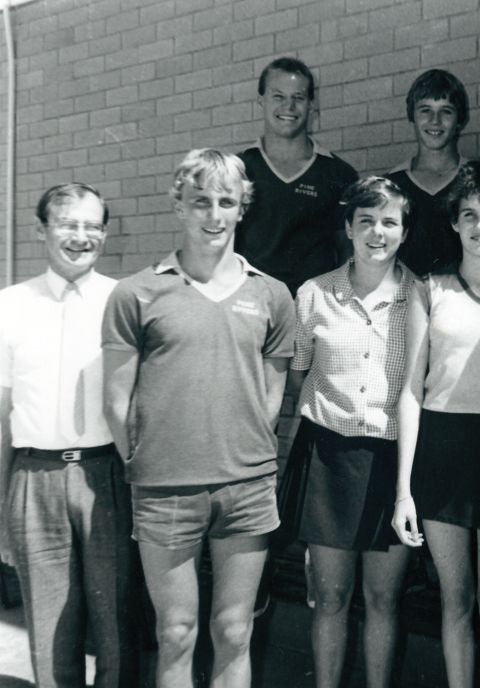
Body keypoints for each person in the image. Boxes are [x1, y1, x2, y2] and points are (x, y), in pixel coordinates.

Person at [103, 149, 295, 688]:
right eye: (201, 201)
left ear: (242, 209)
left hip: (247, 489)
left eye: (226, 202)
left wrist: (243, 456)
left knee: (234, 630)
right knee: (177, 631)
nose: (214, 215)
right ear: (178, 205)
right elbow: (117, 403)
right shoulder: (136, 294)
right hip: (166, 489)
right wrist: (151, 463)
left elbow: (271, 398)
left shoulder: (271, 295)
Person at [392, 161, 480, 688]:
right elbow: (410, 389)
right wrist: (405, 490)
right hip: (443, 448)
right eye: (469, 213)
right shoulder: (430, 287)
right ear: (453, 221)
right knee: (455, 599)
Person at [0, 184, 134, 687]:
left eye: (92, 225)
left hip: (107, 475)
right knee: (49, 624)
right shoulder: (10, 305)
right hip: (34, 476)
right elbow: (1, 412)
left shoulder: (124, 300)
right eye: (68, 224)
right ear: (42, 230)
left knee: (117, 619)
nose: (81, 236)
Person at [288, 177, 416, 688]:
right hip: (327, 458)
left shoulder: (421, 297)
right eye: (366, 220)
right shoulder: (314, 293)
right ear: (348, 227)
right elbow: (298, 376)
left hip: (391, 459)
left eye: (389, 222)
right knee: (332, 597)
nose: (377, 232)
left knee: (384, 598)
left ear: (404, 231)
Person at [235, 57, 358, 295]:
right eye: (278, 96)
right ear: (261, 100)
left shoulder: (339, 174)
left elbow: (348, 254)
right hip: (253, 310)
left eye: (298, 98)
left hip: (315, 312)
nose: (288, 107)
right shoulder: (238, 169)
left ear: (311, 103)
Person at [387, 69, 469, 276]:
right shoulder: (391, 186)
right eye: (425, 110)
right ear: (411, 116)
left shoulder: (476, 180)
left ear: (460, 120)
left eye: (446, 111)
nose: (435, 120)